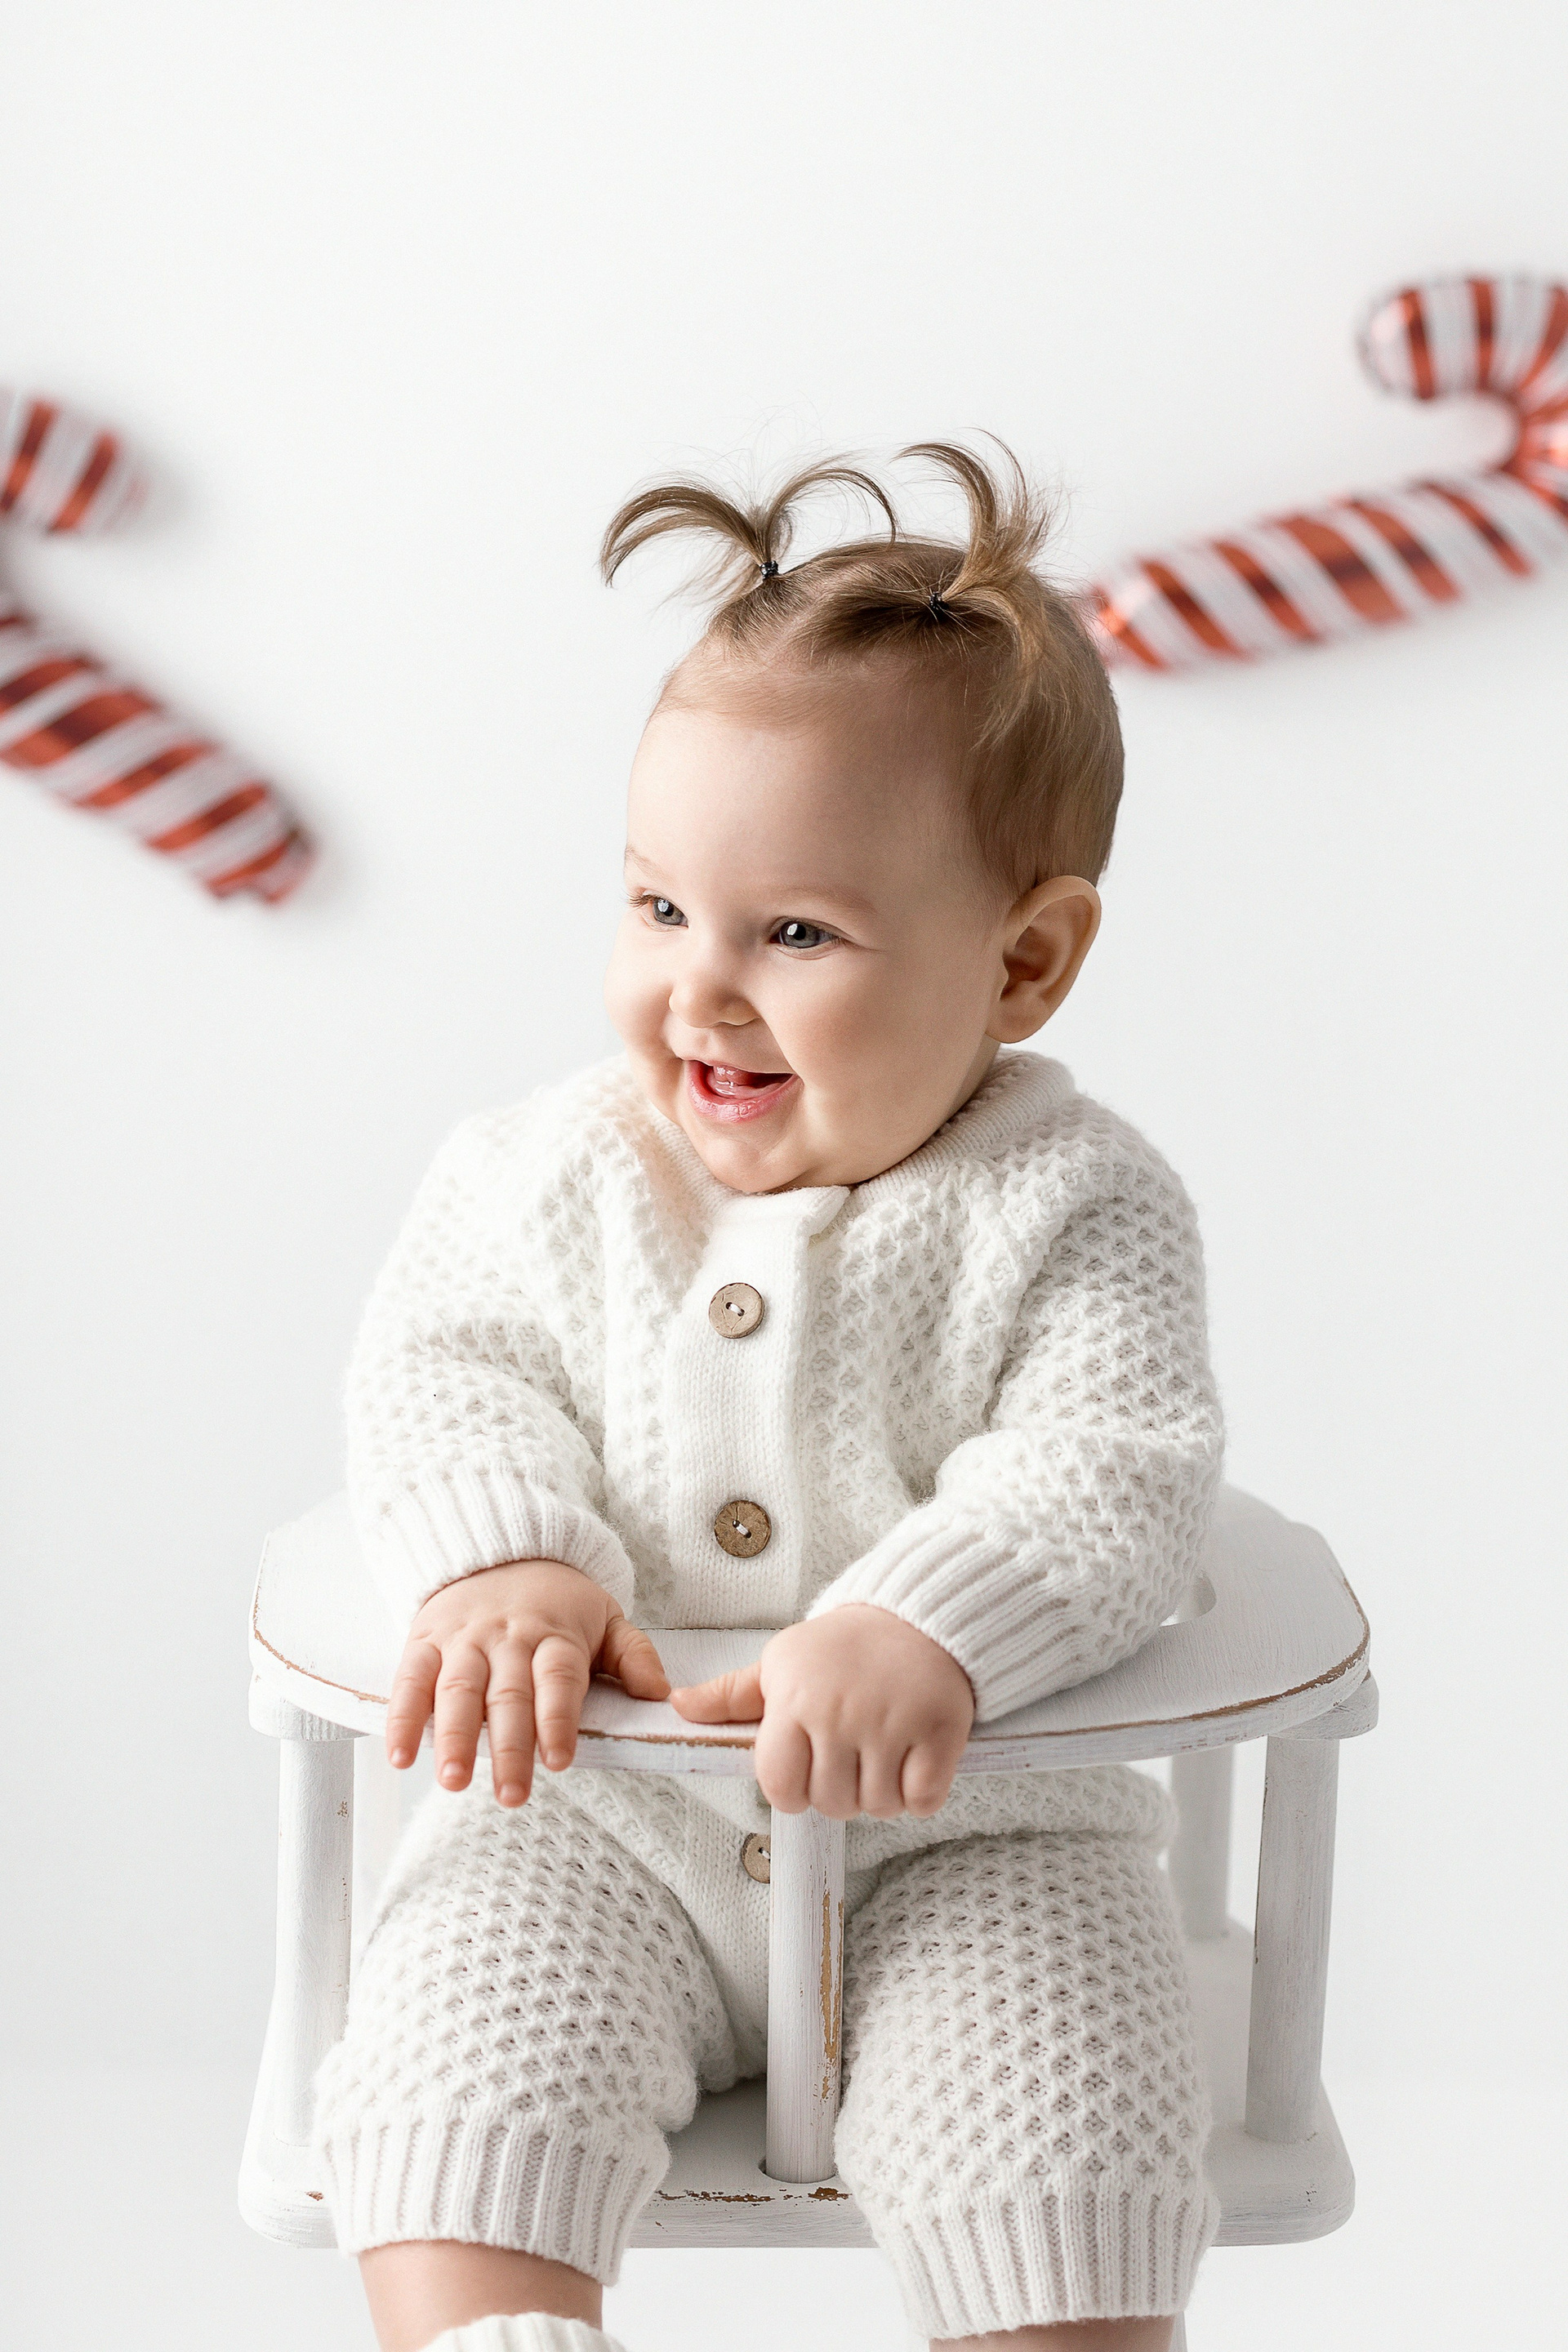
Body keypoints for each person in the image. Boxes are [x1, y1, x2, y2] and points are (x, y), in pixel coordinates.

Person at [313, 442, 1224, 2352]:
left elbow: (1117, 1463)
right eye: (659, 909)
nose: (702, 990)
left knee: (1068, 2139)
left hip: (972, 1836)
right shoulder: (540, 1175)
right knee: (448, 2083)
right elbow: (445, 1371)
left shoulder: (1076, 1200)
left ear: (1026, 960)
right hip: (595, 1815)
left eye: (793, 934)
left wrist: (926, 1623)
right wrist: (506, 1560)